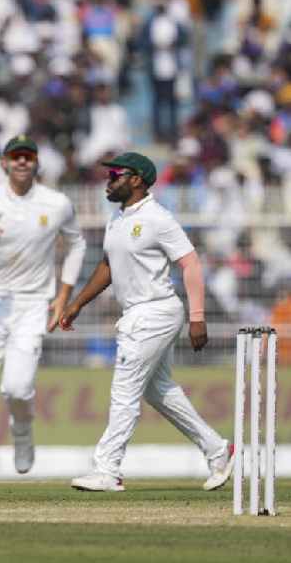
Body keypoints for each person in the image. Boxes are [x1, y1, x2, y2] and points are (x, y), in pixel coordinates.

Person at [58, 151, 232, 492]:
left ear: (136, 179)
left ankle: (107, 468)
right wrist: (77, 303)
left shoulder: (158, 218)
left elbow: (190, 263)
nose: (108, 181)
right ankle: (218, 449)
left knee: (125, 388)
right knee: (158, 391)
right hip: (137, 313)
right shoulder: (117, 218)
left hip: (155, 311)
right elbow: (107, 266)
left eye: (115, 175)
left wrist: (198, 317)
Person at [0, 135, 86, 483]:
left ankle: (22, 433)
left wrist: (63, 295)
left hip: (31, 306)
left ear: (36, 163)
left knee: (18, 389)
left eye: (28, 156)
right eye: (16, 156)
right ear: (4, 163)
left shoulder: (57, 203)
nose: (22, 161)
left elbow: (77, 244)